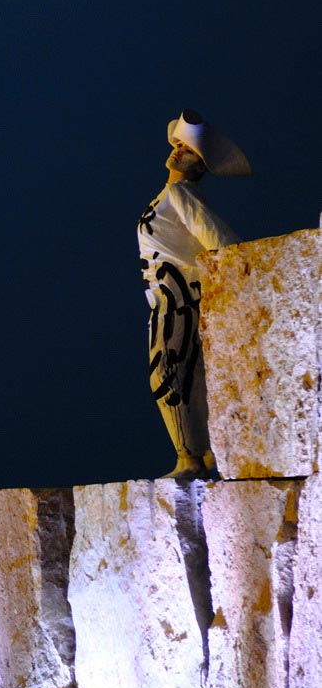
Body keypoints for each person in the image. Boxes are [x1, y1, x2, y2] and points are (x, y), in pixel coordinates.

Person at [139, 109, 249, 478]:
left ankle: (189, 457)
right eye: (178, 145)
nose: (178, 151)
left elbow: (217, 238)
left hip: (177, 298)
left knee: (169, 372)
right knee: (185, 373)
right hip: (166, 296)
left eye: (188, 150)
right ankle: (198, 454)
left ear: (199, 166)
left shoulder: (178, 193)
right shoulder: (171, 194)